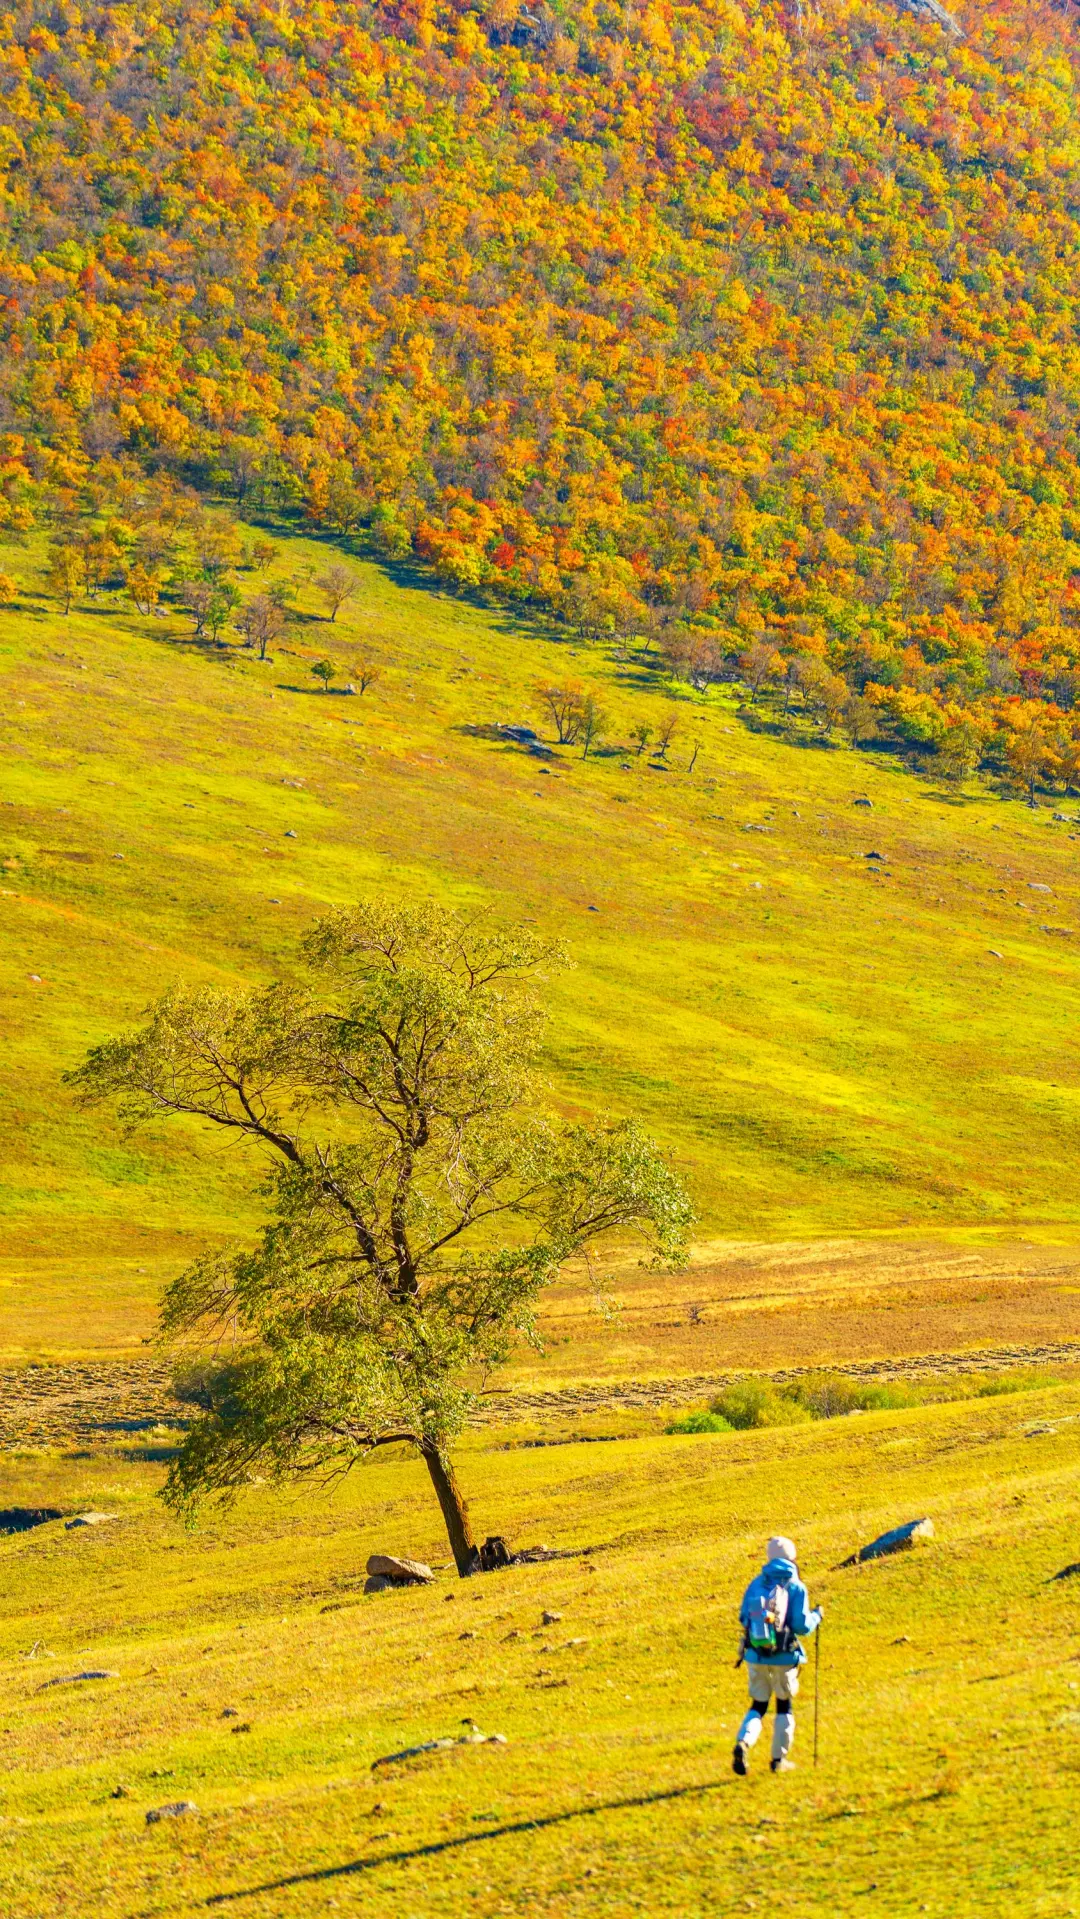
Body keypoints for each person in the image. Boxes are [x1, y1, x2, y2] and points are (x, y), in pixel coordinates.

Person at [733, 1534, 822, 1775]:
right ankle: (778, 1761)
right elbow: (802, 1626)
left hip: (756, 1655)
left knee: (758, 1706)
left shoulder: (757, 1583)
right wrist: (817, 1616)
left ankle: (744, 1742)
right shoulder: (796, 1586)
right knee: (784, 1706)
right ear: (792, 1558)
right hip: (785, 1656)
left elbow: (743, 1617)